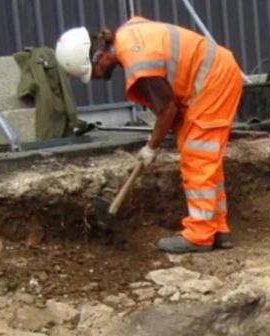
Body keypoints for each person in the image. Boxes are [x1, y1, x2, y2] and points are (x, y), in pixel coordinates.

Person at [55, 18, 244, 253]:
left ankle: (200, 234)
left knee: (198, 158)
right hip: (209, 79)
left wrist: (151, 148)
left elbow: (167, 109)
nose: (96, 78)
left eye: (93, 72)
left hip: (212, 81)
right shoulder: (127, 34)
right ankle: (217, 229)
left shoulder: (138, 59)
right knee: (203, 158)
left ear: (99, 57)